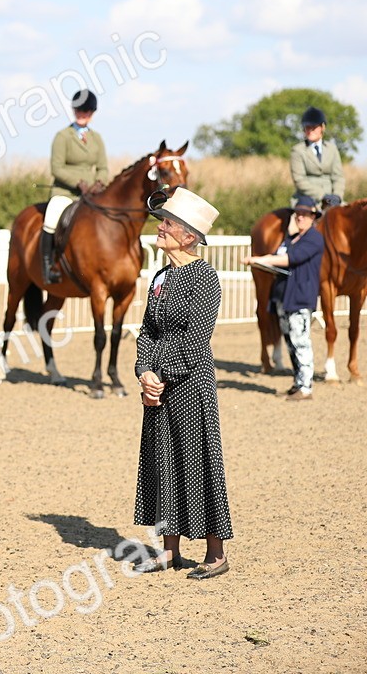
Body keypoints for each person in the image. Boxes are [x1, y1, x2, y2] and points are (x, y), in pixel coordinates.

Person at [133, 187, 233, 580]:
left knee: (198, 460)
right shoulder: (161, 275)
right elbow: (146, 330)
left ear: (189, 235)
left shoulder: (204, 277)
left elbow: (196, 340)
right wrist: (144, 371)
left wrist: (160, 377)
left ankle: (216, 553)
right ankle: (169, 551)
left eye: (168, 223)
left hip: (191, 384)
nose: (160, 228)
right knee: (162, 460)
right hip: (157, 384)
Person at [242, 195, 325, 400]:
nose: (300, 217)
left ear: (313, 217)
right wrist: (262, 261)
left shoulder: (314, 238)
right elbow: (279, 257)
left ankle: (305, 387)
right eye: (298, 214)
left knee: (301, 341)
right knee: (291, 342)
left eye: (305, 214)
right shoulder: (292, 239)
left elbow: (289, 259)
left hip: (300, 297)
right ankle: (298, 383)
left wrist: (258, 259)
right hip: (284, 297)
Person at [42, 88, 109, 283]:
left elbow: (103, 168)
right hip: (65, 192)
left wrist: (99, 183)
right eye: (79, 110)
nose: (82, 114)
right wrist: (78, 183)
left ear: (92, 112)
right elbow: (56, 168)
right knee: (52, 216)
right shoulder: (63, 136)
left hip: (91, 194)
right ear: (74, 110)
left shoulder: (97, 139)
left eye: (86, 111)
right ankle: (47, 266)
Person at [290, 106, 344, 217]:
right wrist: (323, 196)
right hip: (307, 199)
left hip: (333, 200)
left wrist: (337, 196)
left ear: (322, 127)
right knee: (298, 222)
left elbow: (338, 177)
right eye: (307, 127)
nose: (310, 131)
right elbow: (299, 180)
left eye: (313, 128)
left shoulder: (332, 149)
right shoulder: (298, 150)